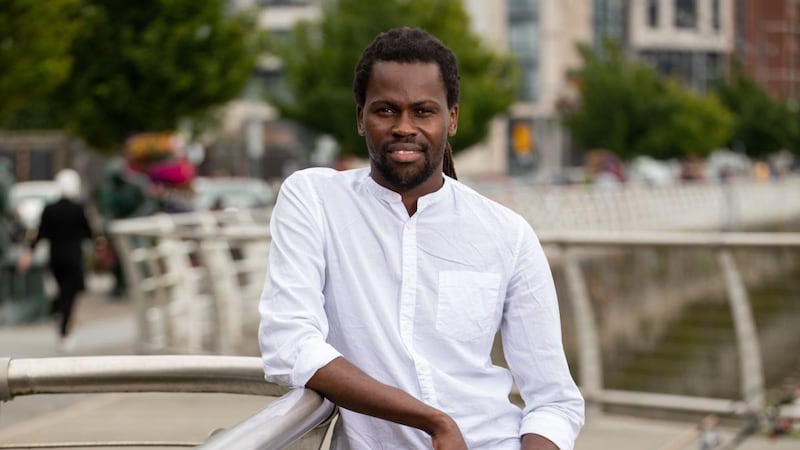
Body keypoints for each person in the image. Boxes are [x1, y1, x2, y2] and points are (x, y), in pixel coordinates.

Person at [258, 27, 584, 449]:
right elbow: (290, 344)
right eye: (386, 110)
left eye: (423, 111)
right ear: (360, 117)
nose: (404, 127)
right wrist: (433, 421)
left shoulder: (507, 234)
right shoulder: (315, 200)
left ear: (451, 118)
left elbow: (554, 401)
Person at [18, 169, 93, 349]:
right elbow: (89, 234)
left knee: (63, 291)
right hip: (73, 257)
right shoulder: (79, 208)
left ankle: (61, 318)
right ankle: (64, 332)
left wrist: (28, 254)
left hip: (55, 258)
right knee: (70, 293)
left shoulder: (49, 209)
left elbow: (40, 234)